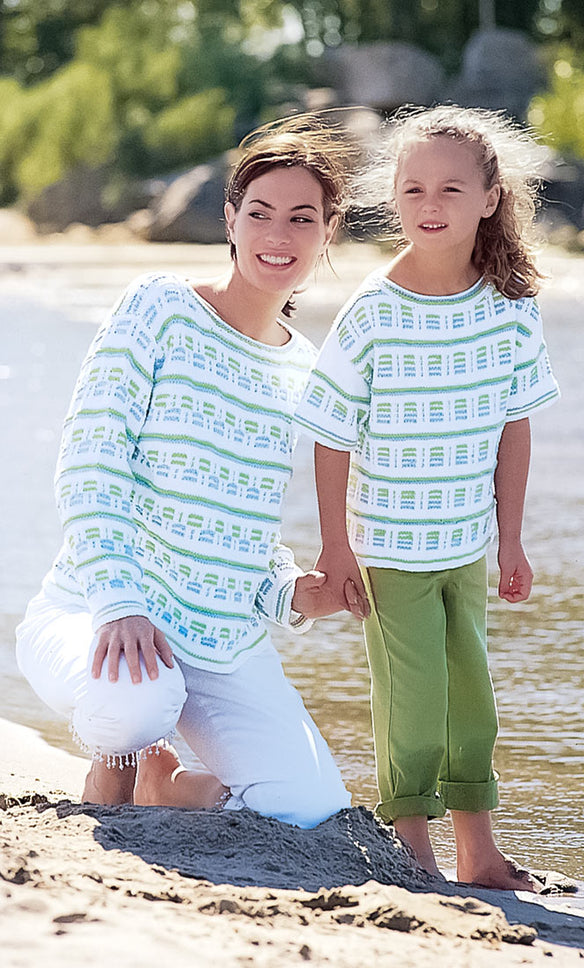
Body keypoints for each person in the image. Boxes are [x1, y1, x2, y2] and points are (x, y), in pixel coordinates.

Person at [15, 115, 362, 828]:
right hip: (98, 611)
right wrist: (119, 601)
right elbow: (90, 461)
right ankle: (120, 757)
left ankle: (165, 784)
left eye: (302, 218)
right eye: (260, 213)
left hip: (221, 644)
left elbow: (240, 526)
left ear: (329, 232)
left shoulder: (305, 369)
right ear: (230, 219)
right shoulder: (161, 307)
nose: (278, 235)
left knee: (307, 808)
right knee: (134, 706)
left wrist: (292, 593)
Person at [294, 105, 560, 885]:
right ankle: (413, 851)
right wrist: (336, 547)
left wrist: (512, 539)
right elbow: (331, 434)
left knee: (472, 702)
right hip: (389, 550)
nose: (430, 205)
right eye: (413, 189)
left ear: (489, 198)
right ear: (393, 199)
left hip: (465, 546)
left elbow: (514, 428)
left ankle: (479, 852)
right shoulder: (374, 311)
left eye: (450, 189)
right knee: (413, 702)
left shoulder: (509, 307)